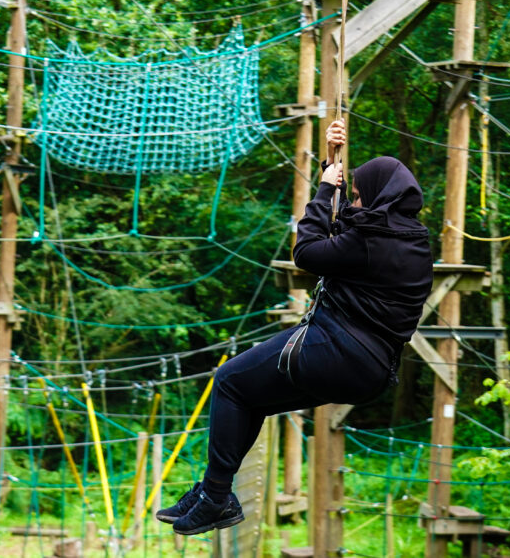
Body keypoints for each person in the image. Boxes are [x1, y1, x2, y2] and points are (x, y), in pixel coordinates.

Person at [157, 119, 434, 535]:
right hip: (371, 373)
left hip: (336, 350)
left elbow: (307, 251)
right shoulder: (413, 241)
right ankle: (214, 493)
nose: (355, 204)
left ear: (379, 197)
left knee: (229, 381)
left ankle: (216, 498)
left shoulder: (370, 240)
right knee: (253, 400)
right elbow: (345, 231)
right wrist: (331, 161)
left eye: (360, 197)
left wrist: (325, 189)